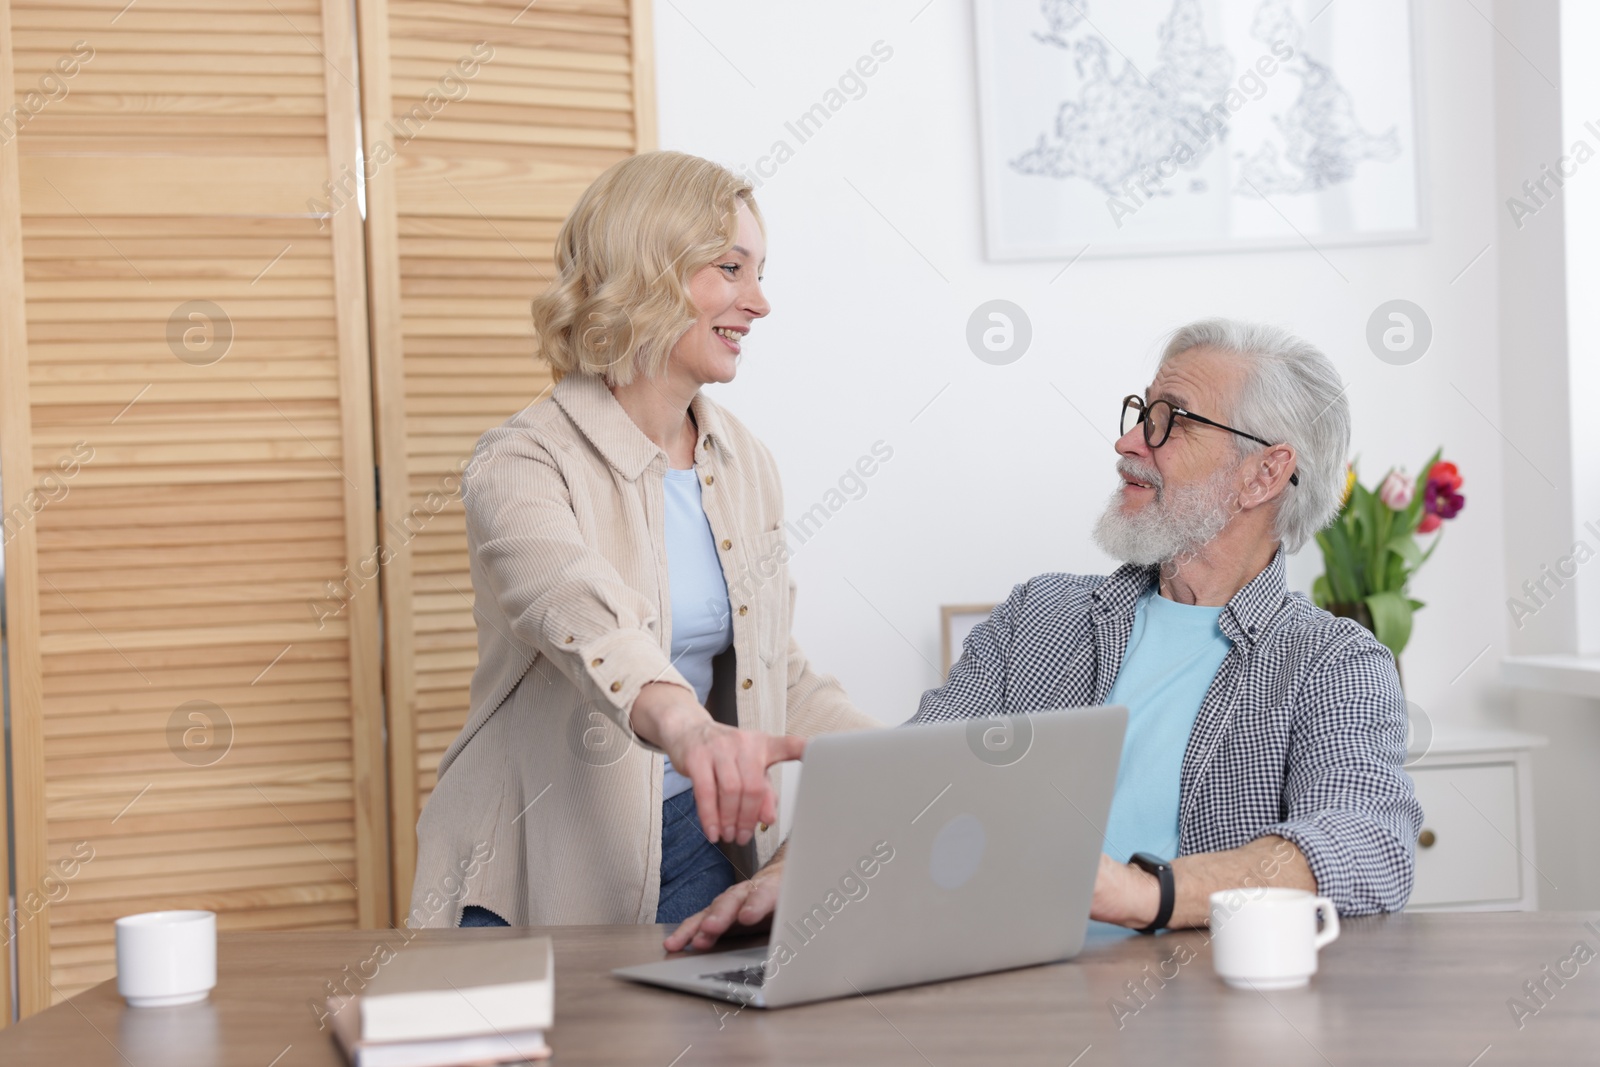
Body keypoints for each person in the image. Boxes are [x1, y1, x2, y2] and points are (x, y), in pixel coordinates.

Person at [667, 318, 1422, 951]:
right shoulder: (1042, 615)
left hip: (1203, 1010)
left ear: (1265, 474)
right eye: (1138, 411)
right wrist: (783, 880)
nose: (1129, 442)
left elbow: (1365, 842)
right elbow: (911, 775)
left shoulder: (1334, 662)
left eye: (1171, 420)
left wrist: (1139, 891)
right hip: (1006, 996)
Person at [409, 151, 878, 929]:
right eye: (731, 268)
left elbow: (775, 665)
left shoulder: (743, 460)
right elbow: (588, 619)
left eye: (759, 271)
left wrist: (915, 756)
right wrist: (692, 730)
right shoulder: (521, 461)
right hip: (534, 867)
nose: (758, 301)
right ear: (648, 270)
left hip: (698, 849)